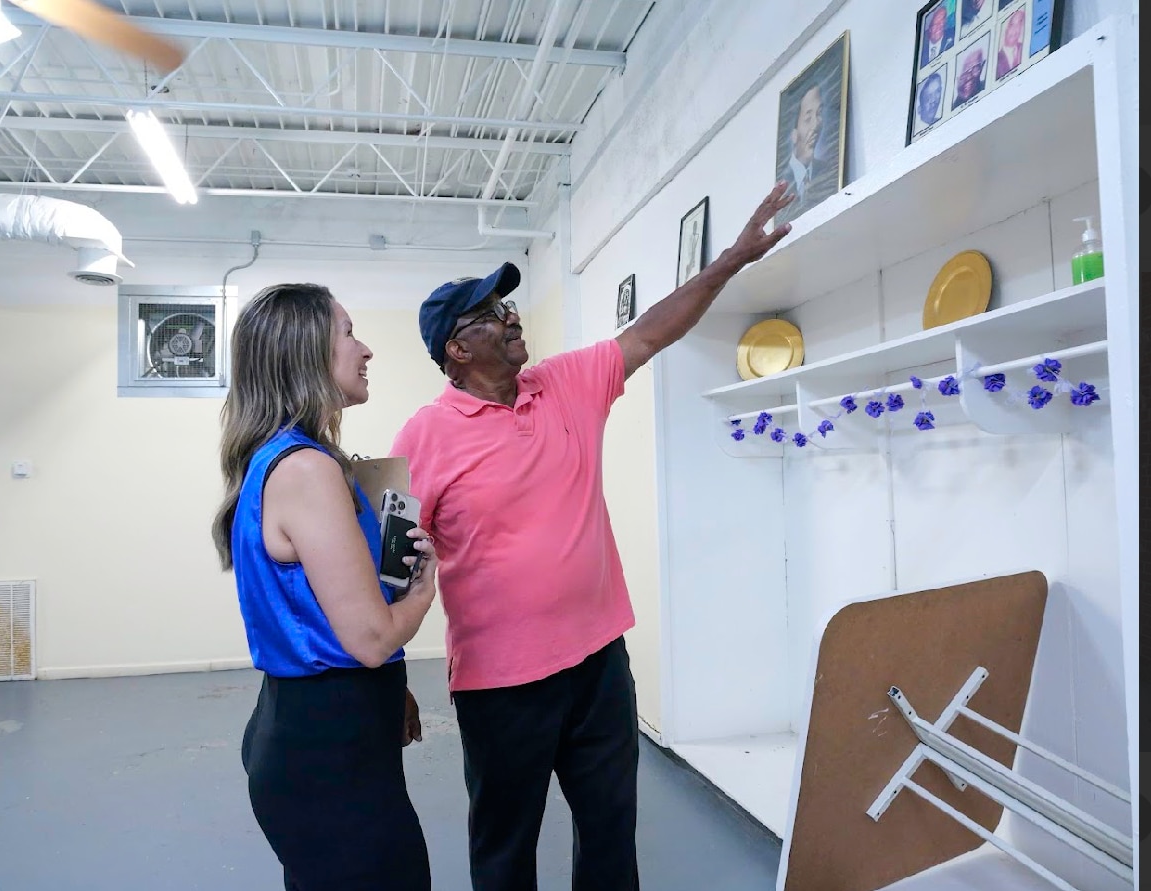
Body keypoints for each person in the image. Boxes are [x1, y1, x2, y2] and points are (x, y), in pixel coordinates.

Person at [388, 182, 795, 891]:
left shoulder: (566, 381)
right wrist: (387, 677)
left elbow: (650, 332)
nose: (510, 317)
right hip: (500, 686)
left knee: (609, 834)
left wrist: (729, 260)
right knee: (504, 849)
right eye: (489, 313)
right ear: (456, 348)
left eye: (507, 305)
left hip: (599, 665)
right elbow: (390, 565)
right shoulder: (422, 436)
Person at [213, 283, 439, 891]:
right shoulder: (308, 470)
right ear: (306, 352)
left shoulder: (290, 457)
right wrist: (423, 590)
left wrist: (393, 695)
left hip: (318, 726)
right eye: (348, 332)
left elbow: (331, 620)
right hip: (327, 747)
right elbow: (369, 639)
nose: (365, 349)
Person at [775, 81, 837, 226]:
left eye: (819, 114)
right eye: (808, 119)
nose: (816, 125)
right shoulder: (782, 185)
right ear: (794, 134)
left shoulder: (829, 172)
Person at [920, 3, 955, 67]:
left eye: (942, 23)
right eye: (935, 24)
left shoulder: (952, 37)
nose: (939, 27)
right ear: (929, 29)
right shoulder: (922, 49)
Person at [952, 44, 987, 109]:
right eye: (965, 71)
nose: (969, 77)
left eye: (975, 69)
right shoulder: (953, 108)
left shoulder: (985, 87)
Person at [995, 7, 1026, 79]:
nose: (1015, 30)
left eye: (1019, 25)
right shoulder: (996, 59)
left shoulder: (1024, 48)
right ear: (1005, 28)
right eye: (1012, 25)